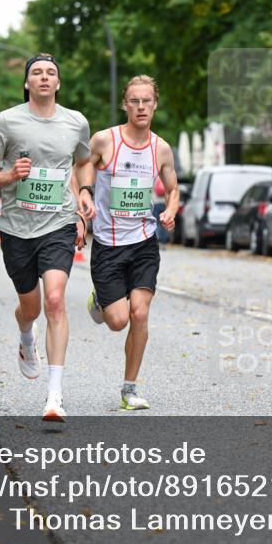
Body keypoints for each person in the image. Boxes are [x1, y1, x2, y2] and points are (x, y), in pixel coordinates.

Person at [0, 53, 91, 423]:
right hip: (17, 228)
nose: (44, 77)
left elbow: (84, 160)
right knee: (32, 307)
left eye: (51, 73)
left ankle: (54, 397)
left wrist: (84, 192)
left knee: (55, 299)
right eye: (37, 73)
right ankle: (26, 334)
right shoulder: (7, 121)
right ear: (27, 83)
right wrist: (9, 176)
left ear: (58, 83)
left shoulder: (76, 122)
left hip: (58, 223)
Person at [75, 75, 180, 411]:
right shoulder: (105, 140)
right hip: (108, 243)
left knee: (139, 313)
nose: (140, 107)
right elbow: (82, 165)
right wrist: (85, 194)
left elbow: (173, 188)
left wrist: (171, 211)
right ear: (125, 104)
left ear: (155, 104)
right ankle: (102, 301)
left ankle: (129, 389)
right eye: (134, 100)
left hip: (144, 242)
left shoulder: (161, 148)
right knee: (117, 320)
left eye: (146, 100)